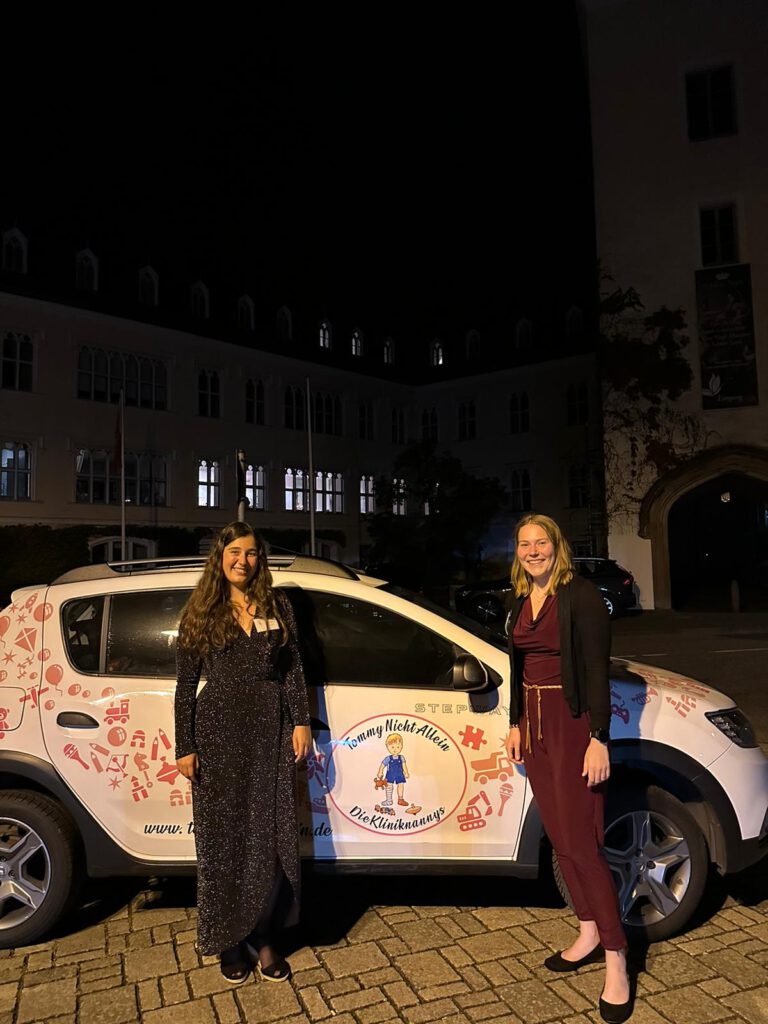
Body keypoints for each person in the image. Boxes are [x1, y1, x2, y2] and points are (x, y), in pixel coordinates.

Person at [504, 514, 632, 1024]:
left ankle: (618, 958)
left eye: (541, 542)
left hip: (573, 724)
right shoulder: (519, 599)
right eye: (524, 544)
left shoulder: (581, 596)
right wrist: (514, 723)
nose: (533, 551)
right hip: (535, 728)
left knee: (583, 843)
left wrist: (599, 737)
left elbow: (597, 669)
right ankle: (588, 932)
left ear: (557, 546)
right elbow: (517, 667)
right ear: (517, 551)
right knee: (560, 840)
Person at [174, 522, 312, 984]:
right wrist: (185, 745)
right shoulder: (202, 609)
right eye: (234, 551)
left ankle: (264, 934)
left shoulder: (278, 605)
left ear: (260, 560)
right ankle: (229, 940)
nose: (243, 561)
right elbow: (185, 686)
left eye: (251, 553)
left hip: (271, 732)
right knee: (223, 841)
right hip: (217, 734)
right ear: (220, 556)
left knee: (271, 840)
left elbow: (292, 669)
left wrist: (301, 720)